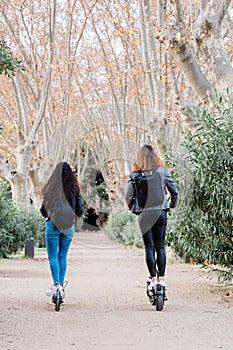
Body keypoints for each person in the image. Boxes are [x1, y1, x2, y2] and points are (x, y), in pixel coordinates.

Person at [125, 144, 178, 295]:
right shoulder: (162, 171)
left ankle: (153, 281)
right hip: (160, 211)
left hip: (144, 214)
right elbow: (174, 191)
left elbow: (128, 196)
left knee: (149, 247)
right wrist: (171, 205)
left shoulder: (134, 175)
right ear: (154, 156)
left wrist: (132, 208)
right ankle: (162, 279)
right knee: (160, 246)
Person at [40, 161, 84, 303]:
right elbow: (80, 210)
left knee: (53, 257)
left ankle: (57, 285)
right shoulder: (75, 190)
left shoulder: (50, 189)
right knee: (62, 257)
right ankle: (61, 289)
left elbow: (43, 210)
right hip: (68, 226)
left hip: (52, 224)